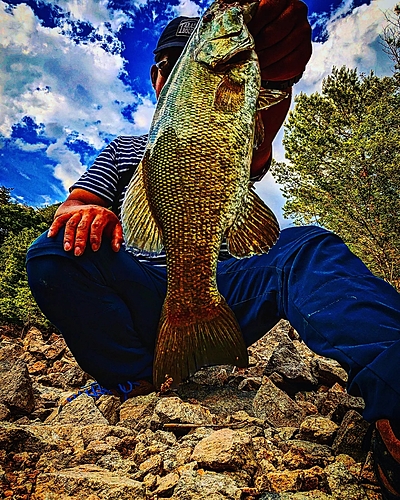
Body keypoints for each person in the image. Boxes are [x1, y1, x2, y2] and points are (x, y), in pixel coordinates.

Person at [26, 1, 400, 497]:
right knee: (52, 252)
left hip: (223, 287)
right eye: (178, 62)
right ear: (161, 78)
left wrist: (279, 86)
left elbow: (258, 154)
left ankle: (395, 386)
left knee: (306, 245)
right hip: (140, 287)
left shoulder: (238, 121)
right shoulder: (121, 150)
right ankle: (139, 379)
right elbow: (76, 204)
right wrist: (85, 211)